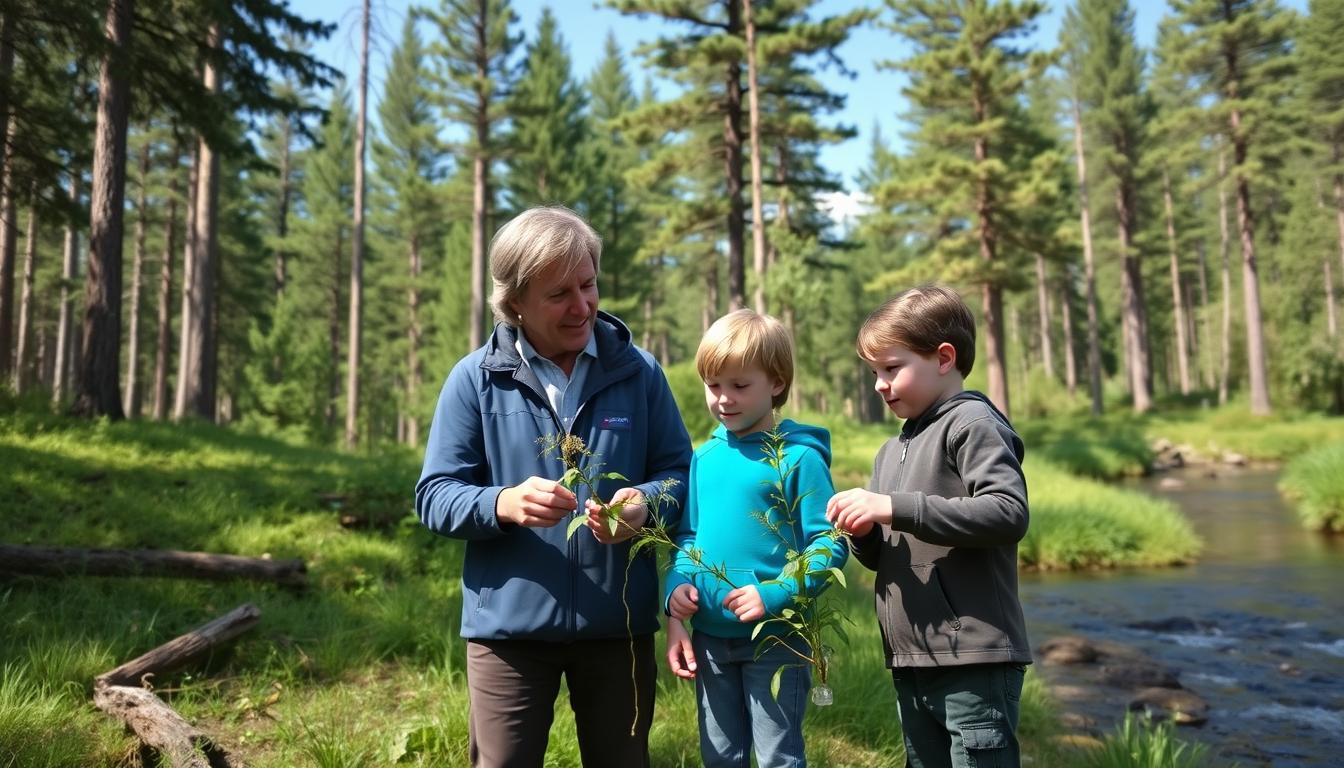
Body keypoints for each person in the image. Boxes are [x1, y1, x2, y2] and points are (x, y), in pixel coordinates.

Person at [414, 206, 692, 768]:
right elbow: (434, 494)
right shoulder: (475, 379)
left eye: (588, 285)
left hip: (619, 629)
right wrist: (502, 503)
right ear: (515, 301)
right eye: (559, 293)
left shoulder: (639, 373)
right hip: (508, 635)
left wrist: (644, 506)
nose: (583, 305)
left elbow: (681, 476)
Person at [825, 284, 1032, 768]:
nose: (879, 383)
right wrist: (864, 534)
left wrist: (895, 506)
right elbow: (883, 555)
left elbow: (1007, 511)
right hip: (913, 658)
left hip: (974, 658)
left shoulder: (973, 423)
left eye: (892, 368)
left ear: (944, 358)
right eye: (874, 372)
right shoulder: (889, 450)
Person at [663, 309, 847, 768]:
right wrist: (675, 591)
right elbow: (690, 537)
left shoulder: (798, 458)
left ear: (777, 383)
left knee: (777, 757)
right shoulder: (703, 458)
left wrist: (776, 593)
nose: (724, 399)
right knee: (721, 756)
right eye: (713, 385)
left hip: (776, 638)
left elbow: (828, 543)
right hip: (709, 638)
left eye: (740, 386)